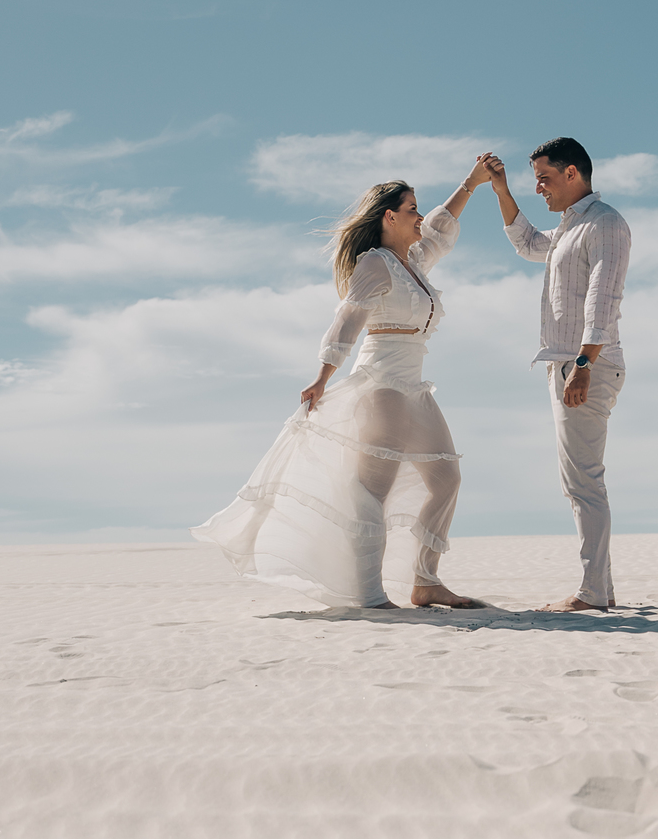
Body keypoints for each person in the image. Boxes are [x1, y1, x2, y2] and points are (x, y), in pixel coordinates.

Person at [192, 163, 492, 610]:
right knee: (374, 489)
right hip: (383, 385)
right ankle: (369, 593)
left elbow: (443, 229)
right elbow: (348, 319)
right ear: (389, 217)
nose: (420, 216)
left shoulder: (414, 262)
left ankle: (426, 581)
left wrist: (472, 183)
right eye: (412, 209)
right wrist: (323, 375)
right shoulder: (376, 263)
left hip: (415, 386)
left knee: (447, 478)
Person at [482, 138, 631, 612]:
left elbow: (603, 301)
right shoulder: (569, 229)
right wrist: (502, 190)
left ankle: (592, 594)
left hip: (585, 363)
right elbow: (528, 243)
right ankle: (601, 590)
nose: (540, 189)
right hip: (567, 363)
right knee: (578, 481)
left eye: (544, 178)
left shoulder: (605, 224)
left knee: (584, 481)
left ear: (573, 174)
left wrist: (583, 365)